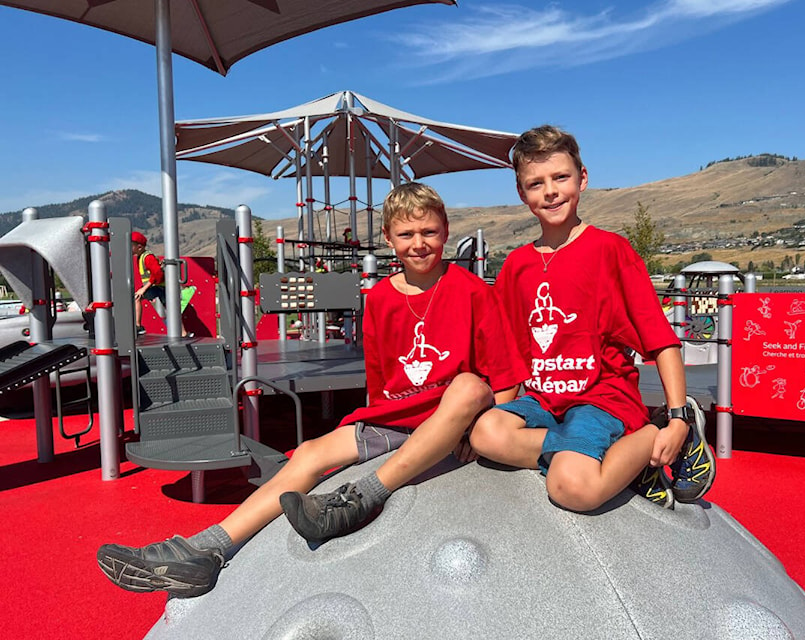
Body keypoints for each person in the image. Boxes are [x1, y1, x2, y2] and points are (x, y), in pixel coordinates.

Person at [98, 183, 528, 598]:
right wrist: (368, 432)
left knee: (471, 387)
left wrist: (479, 432)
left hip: (447, 419)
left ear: (446, 231)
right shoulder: (378, 297)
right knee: (306, 455)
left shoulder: (471, 289)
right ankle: (206, 549)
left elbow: (505, 375)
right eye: (407, 234)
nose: (419, 243)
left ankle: (365, 495)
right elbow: (379, 383)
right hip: (397, 418)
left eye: (429, 232)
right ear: (388, 238)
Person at [469, 125, 716, 512]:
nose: (549, 191)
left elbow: (660, 338)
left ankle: (647, 435)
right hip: (544, 402)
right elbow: (506, 356)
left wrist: (677, 417)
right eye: (535, 183)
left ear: (582, 179)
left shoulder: (609, 250)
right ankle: (613, 456)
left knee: (570, 487)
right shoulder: (517, 265)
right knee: (485, 434)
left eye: (560, 177)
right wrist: (502, 413)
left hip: (601, 399)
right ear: (522, 193)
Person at [131, 231, 193, 338]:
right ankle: (183, 333)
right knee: (170, 308)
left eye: (131, 245)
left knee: (137, 297)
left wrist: (144, 289)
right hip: (156, 286)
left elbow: (158, 274)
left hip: (160, 286)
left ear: (139, 247)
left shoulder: (147, 258)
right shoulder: (140, 257)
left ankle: (138, 326)